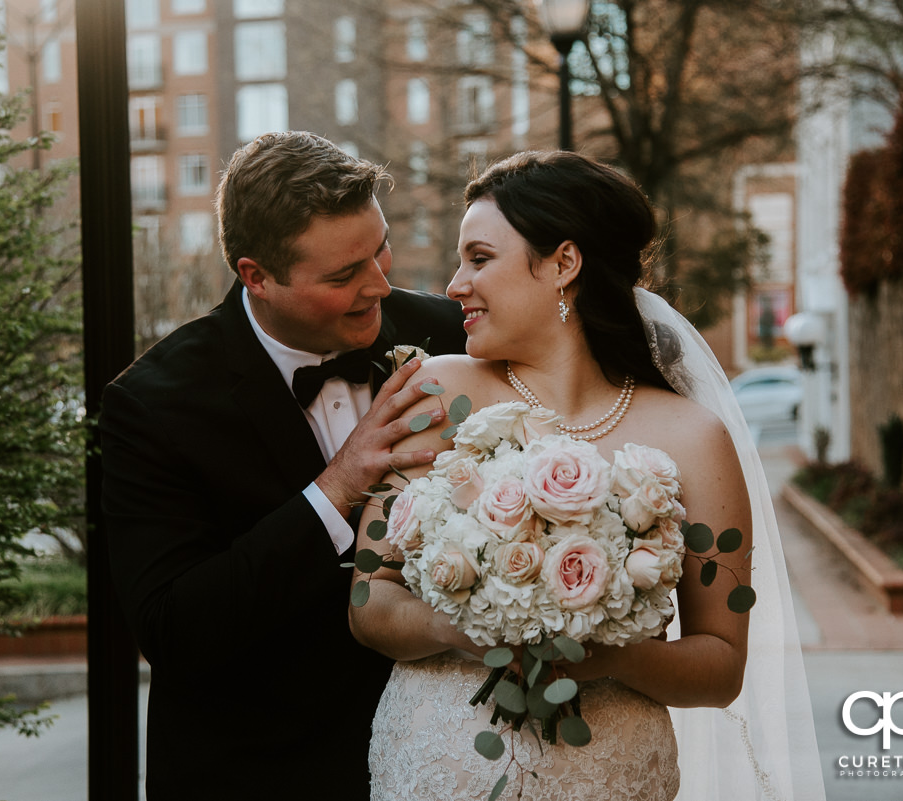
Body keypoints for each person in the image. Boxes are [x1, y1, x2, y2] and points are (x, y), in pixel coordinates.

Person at [349, 151, 826, 800]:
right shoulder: (430, 397)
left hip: (608, 770)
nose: (455, 283)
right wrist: (467, 627)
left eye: (480, 258)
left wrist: (609, 654)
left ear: (564, 264)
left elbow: (722, 664)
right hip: (436, 764)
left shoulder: (693, 438)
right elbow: (366, 601)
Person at [98, 131, 467, 799]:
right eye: (343, 275)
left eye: (378, 248)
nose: (379, 284)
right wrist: (336, 488)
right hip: (257, 773)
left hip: (444, 760)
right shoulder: (151, 405)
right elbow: (172, 628)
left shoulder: (454, 336)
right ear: (256, 276)